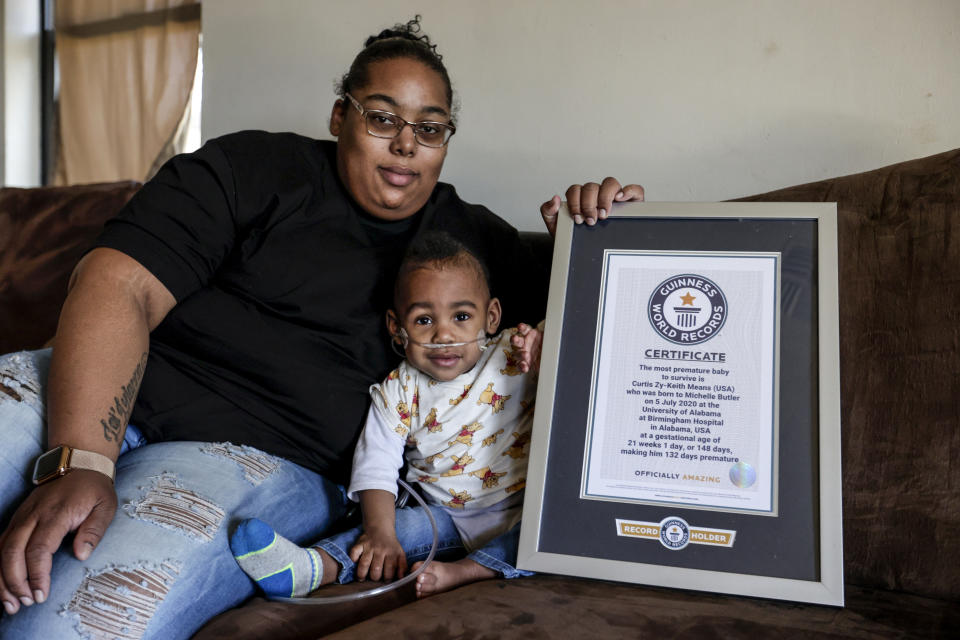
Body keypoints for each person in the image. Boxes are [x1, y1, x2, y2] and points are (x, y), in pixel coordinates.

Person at [0, 16, 643, 639]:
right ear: (341, 117)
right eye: (383, 117)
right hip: (78, 382)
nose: (405, 144)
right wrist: (81, 459)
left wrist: (602, 240)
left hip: (251, 458)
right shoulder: (252, 168)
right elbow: (120, 282)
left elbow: (612, 356)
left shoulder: (475, 252)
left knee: (62, 629)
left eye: (430, 127)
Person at [230, 231, 542, 599]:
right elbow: (376, 464)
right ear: (398, 328)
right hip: (446, 518)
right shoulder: (398, 391)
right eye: (425, 320)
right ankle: (311, 567)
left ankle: (465, 572)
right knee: (391, 534)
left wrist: (542, 344)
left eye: (461, 316)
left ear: (490, 317)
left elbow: (584, 331)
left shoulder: (514, 355)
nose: (444, 335)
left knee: (553, 535)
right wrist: (381, 532)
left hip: (526, 507)